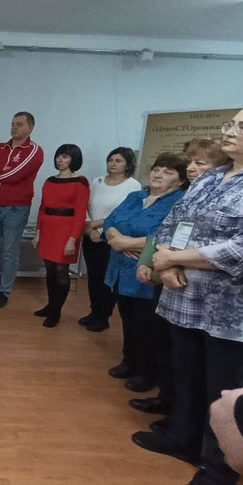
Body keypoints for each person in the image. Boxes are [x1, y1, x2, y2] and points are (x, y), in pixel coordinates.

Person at [131, 94, 243, 485]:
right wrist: (166, 262)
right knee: (187, 377)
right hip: (186, 300)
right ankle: (181, 438)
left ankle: (218, 475)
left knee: (223, 393)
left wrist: (174, 258)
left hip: (236, 313)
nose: (230, 132)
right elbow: (175, 221)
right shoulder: (212, 177)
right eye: (231, 124)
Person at [129, 138, 230, 418]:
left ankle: (180, 416)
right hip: (169, 278)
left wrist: (172, 262)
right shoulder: (191, 195)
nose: (192, 168)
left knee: (188, 358)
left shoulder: (220, 196)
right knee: (167, 345)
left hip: (196, 284)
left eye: (201, 163)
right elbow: (165, 231)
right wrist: (154, 261)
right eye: (190, 162)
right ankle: (167, 400)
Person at [103, 153, 187, 393]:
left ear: (181, 180)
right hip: (120, 269)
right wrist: (116, 239)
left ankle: (147, 372)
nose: (159, 175)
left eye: (168, 172)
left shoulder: (179, 202)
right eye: (157, 169)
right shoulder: (136, 196)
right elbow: (110, 221)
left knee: (146, 325)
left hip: (147, 271)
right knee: (127, 320)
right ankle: (129, 361)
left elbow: (167, 235)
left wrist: (126, 243)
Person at [0, 112, 44, 309]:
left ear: (30, 128)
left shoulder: (34, 150)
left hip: (16, 209)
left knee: (9, 253)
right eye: (12, 123)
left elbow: (15, 174)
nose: (14, 127)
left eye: (19, 124)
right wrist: (0, 169)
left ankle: (4, 292)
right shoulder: (0, 147)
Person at [79, 148, 141, 332]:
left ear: (128, 164)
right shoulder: (97, 182)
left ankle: (103, 316)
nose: (113, 164)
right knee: (93, 277)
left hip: (113, 238)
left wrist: (99, 228)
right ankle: (94, 311)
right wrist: (89, 227)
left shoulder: (133, 185)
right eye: (111, 160)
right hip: (91, 235)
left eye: (118, 161)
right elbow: (85, 205)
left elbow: (125, 215)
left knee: (108, 279)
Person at [31, 144, 89, 327]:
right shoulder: (50, 181)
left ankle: (56, 312)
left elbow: (80, 213)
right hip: (48, 227)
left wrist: (72, 239)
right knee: (49, 268)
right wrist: (38, 232)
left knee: (61, 270)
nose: (60, 160)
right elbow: (42, 208)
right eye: (58, 156)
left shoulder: (80, 182)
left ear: (74, 159)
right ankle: (50, 305)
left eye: (65, 156)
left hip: (66, 229)